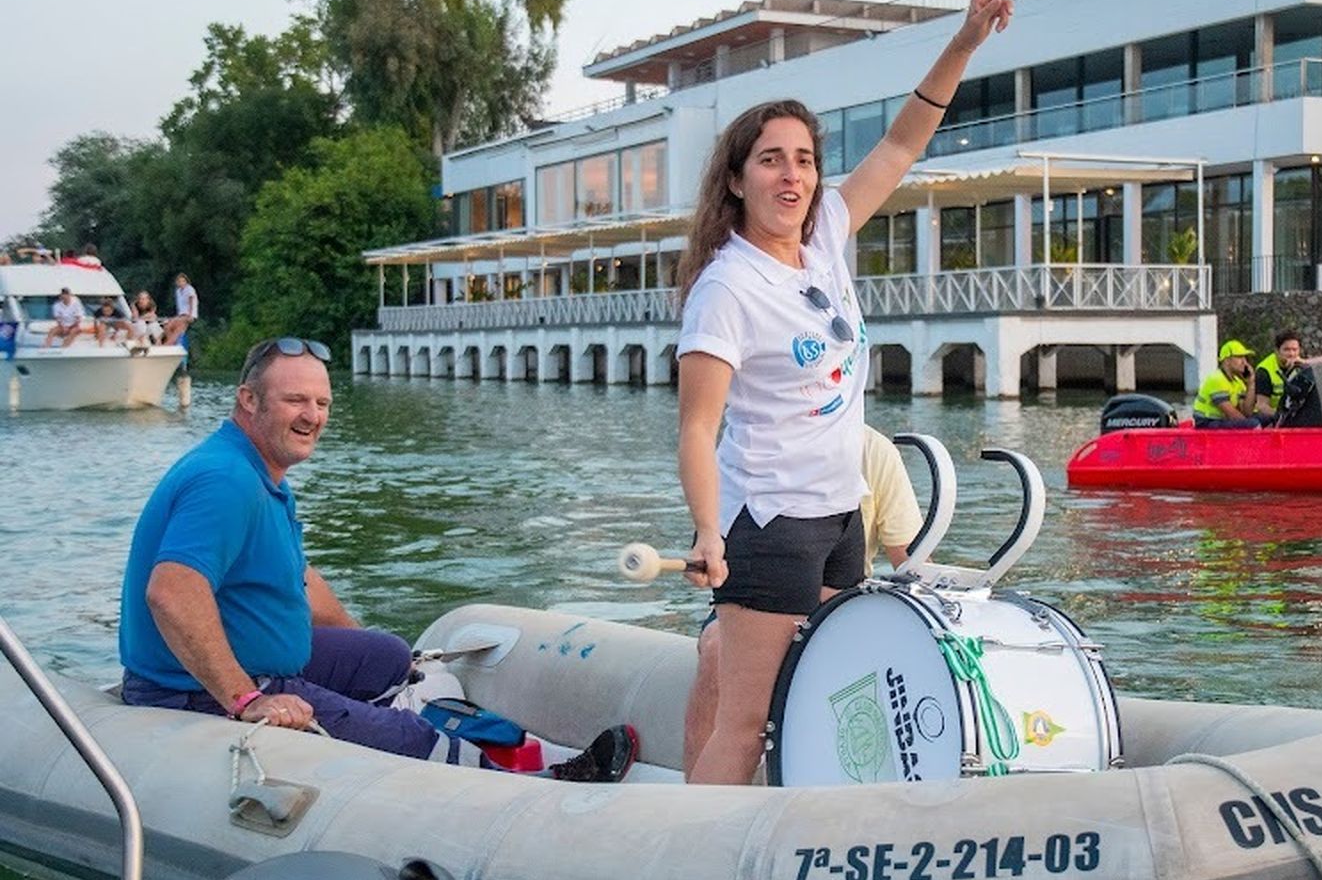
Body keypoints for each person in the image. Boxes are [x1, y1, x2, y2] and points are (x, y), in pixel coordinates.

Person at [674, 0, 1012, 786]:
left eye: (803, 159)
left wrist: (965, 43)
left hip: (837, 518)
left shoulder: (826, 232)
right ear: (736, 177)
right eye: (771, 160)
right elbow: (696, 426)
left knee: (826, 695)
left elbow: (903, 139)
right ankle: (688, 866)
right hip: (766, 522)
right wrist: (709, 531)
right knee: (746, 726)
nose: (792, 175)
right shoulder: (725, 288)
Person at [118, 336, 637, 782]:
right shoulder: (225, 480)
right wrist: (246, 699)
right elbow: (172, 592)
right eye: (296, 400)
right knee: (407, 735)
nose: (313, 416)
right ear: (248, 400)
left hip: (261, 658)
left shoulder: (258, 470)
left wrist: (357, 639)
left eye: (322, 403)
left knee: (384, 656)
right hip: (194, 689)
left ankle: (363, 728)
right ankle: (532, 782)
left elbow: (298, 581)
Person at [681, 425, 924, 776]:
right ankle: (690, 790)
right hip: (758, 598)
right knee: (718, 646)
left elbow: (911, 563)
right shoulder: (751, 445)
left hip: (838, 605)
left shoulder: (876, 452)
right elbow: (717, 540)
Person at [1193, 340, 1262, 429]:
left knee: (1263, 419)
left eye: (1245, 358)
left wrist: (1251, 383)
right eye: (1239, 357)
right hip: (1207, 422)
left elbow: (1247, 412)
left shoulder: (1237, 381)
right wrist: (1250, 425)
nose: (1244, 362)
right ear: (1227, 360)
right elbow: (1232, 414)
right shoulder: (1217, 379)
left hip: (1221, 420)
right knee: (1252, 423)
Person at [1249, 329, 1304, 420]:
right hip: (1270, 416)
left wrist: (1305, 362)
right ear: (1277, 351)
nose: (1291, 354)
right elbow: (1261, 405)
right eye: (1286, 350)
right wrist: (1283, 416)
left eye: (1295, 350)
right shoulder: (1264, 370)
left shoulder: (1301, 364)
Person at [164, 273, 198, 345]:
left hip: (188, 314)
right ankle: (172, 343)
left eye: (183, 281)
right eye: (179, 281)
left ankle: (168, 344)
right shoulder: (178, 291)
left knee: (178, 330)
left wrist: (190, 315)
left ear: (186, 282)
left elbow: (191, 302)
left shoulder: (189, 289)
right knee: (167, 326)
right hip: (181, 315)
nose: (181, 283)